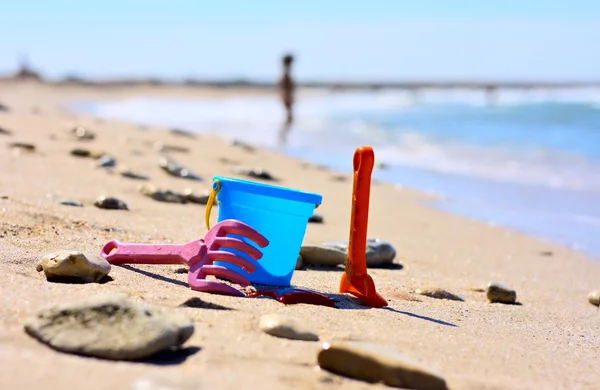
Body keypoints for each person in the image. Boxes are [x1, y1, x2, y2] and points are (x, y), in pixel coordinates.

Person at [277, 54, 295, 145]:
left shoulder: (286, 72)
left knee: (289, 118)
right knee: (289, 118)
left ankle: (283, 136)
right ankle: (282, 136)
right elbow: (284, 88)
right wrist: (287, 97)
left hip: (287, 97)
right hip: (286, 98)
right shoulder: (286, 73)